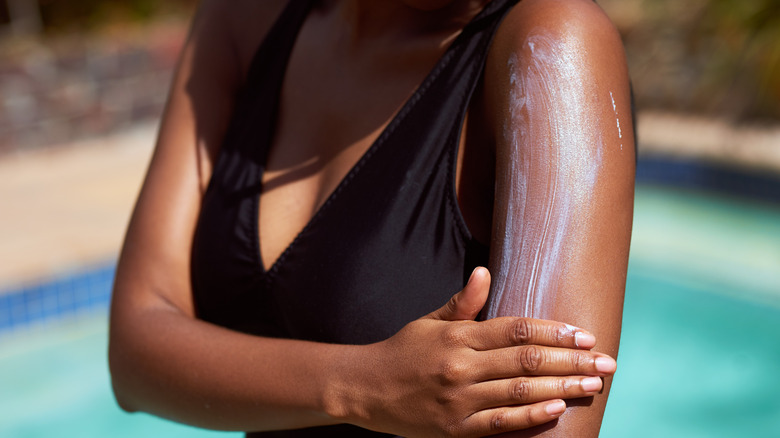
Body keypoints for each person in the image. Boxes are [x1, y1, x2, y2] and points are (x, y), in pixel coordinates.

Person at [108, 0, 635, 436]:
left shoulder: (552, 46)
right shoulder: (245, 20)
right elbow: (134, 354)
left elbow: (548, 422)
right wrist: (360, 385)